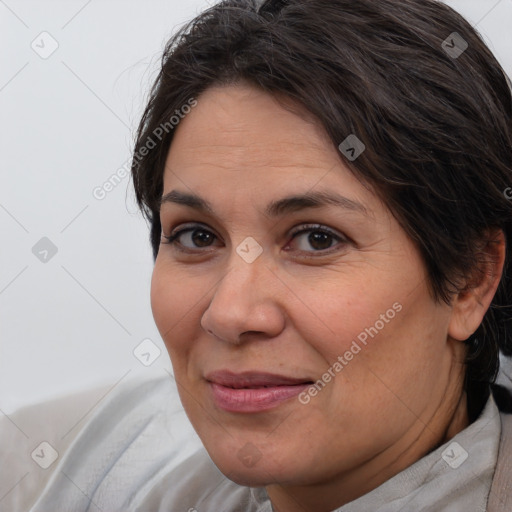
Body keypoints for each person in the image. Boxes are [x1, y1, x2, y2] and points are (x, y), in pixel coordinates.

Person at [15, 0, 512, 510]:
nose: (230, 314)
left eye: (316, 238)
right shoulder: (122, 450)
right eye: (197, 237)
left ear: (471, 278)